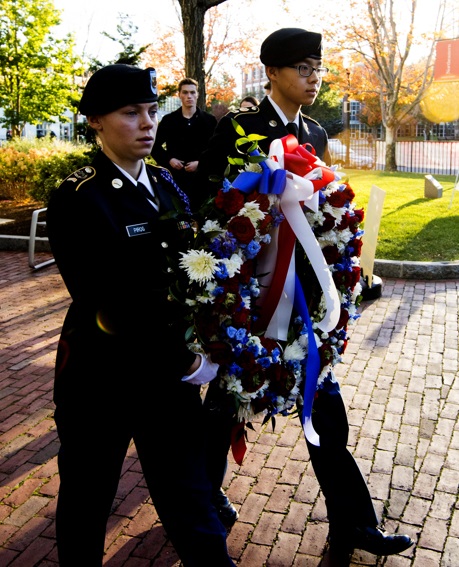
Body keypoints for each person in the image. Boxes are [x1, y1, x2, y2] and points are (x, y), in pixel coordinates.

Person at [198, 28, 414, 566]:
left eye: (318, 68)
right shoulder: (241, 128)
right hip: (250, 302)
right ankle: (199, 509)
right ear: (272, 72)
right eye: (303, 68)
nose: (314, 78)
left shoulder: (314, 131)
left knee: (327, 415)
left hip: (304, 296)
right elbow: (208, 201)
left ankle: (354, 524)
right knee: (223, 410)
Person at [46, 64, 235, 567]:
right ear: (95, 121)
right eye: (131, 113)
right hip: (101, 378)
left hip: (166, 385)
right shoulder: (77, 195)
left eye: (152, 111)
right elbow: (106, 300)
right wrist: (186, 359)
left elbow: (192, 271)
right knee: (88, 499)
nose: (148, 123)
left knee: (191, 496)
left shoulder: (166, 184)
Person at [151, 77, 217, 212]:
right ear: (179, 95)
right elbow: (154, 146)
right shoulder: (169, 120)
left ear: (198, 94)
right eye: (185, 92)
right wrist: (169, 159)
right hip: (175, 181)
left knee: (202, 218)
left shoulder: (209, 121)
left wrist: (201, 163)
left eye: (192, 93)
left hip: (202, 181)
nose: (189, 96)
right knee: (179, 220)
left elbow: (216, 150)